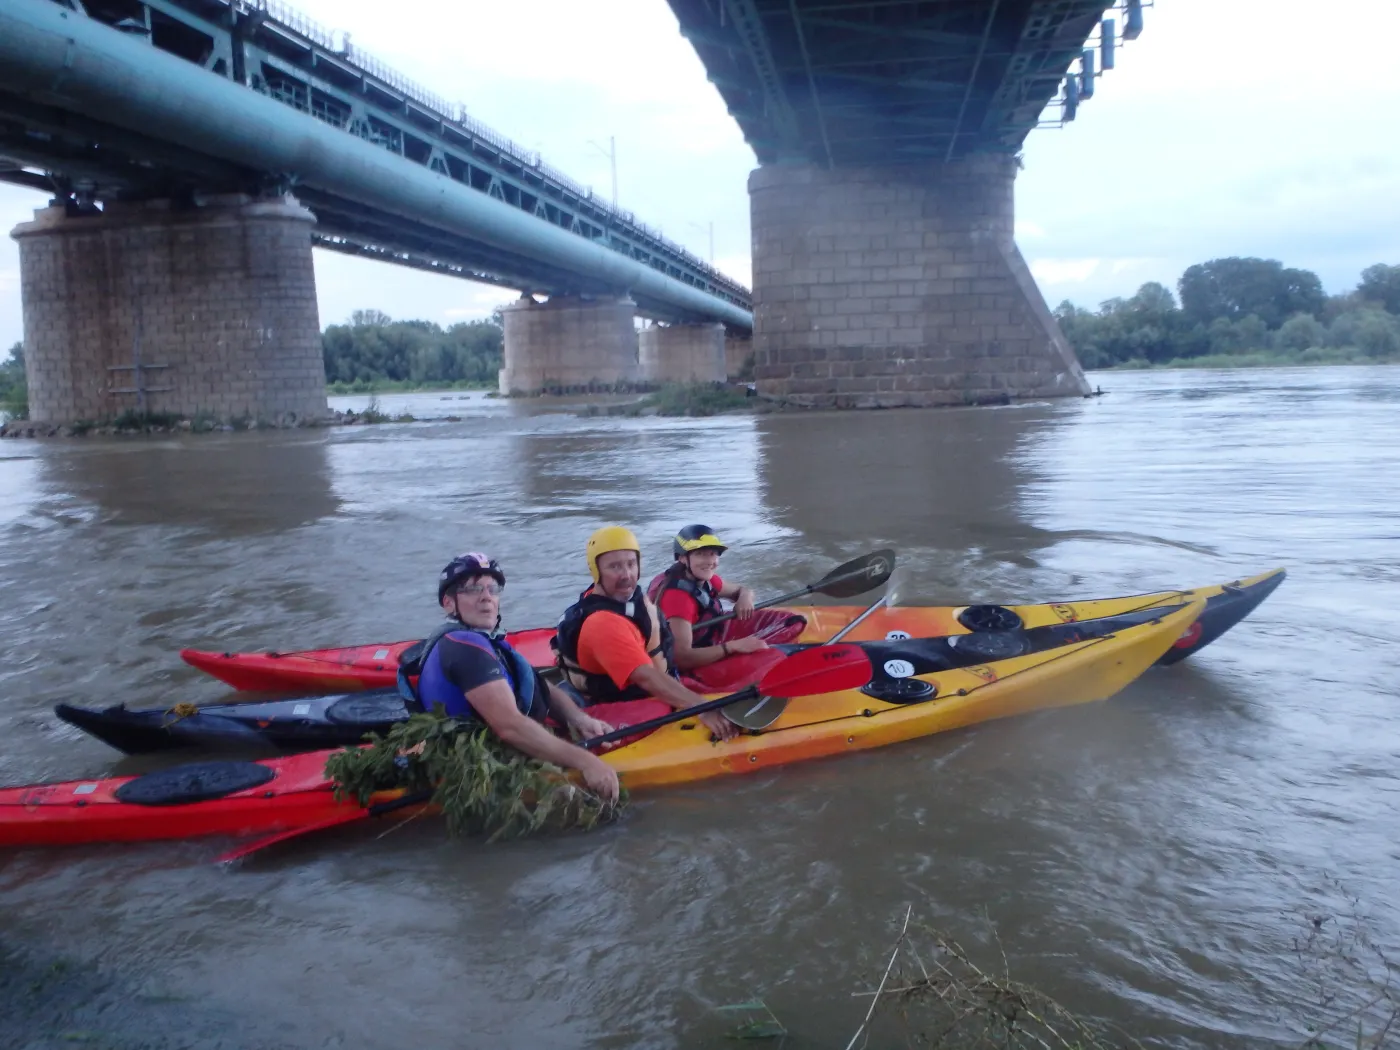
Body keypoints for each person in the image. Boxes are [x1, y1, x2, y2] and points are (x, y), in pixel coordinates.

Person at [404, 552, 620, 802]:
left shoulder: (485, 641)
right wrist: (587, 763)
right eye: (473, 589)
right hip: (484, 765)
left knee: (573, 699)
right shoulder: (464, 647)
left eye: (492, 589)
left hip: (513, 741)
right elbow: (511, 727)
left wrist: (579, 719)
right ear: (449, 603)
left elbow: (540, 686)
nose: (486, 597)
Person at [554, 526, 741, 741]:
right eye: (614, 567)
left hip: (657, 679)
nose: (626, 575)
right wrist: (703, 707)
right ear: (596, 571)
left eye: (631, 564)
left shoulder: (630, 597)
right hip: (619, 703)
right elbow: (647, 677)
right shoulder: (603, 623)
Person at [646, 525, 807, 683]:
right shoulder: (677, 598)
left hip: (706, 641)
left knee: (790, 621)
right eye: (701, 554)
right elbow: (681, 659)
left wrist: (745, 598)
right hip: (686, 667)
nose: (710, 561)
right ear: (682, 558)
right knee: (764, 659)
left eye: (713, 554)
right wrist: (732, 647)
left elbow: (742, 590)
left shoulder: (704, 578)